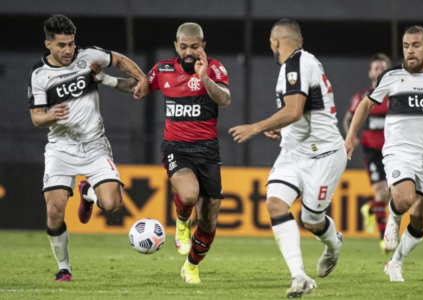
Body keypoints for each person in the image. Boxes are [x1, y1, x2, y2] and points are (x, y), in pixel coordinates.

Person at [96, 22, 231, 284]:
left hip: (207, 151)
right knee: (189, 193)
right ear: (176, 46)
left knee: (209, 221)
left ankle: (191, 266)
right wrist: (103, 78)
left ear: (203, 46)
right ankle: (182, 221)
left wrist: (204, 78)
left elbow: (224, 100)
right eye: (184, 47)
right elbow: (137, 85)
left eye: (194, 46)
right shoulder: (164, 69)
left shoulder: (215, 68)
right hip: (176, 148)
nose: (189, 52)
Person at [229, 19, 346, 298]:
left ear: (275, 42)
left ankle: (333, 245)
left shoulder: (296, 64)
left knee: (312, 220)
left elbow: (294, 110)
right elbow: (302, 111)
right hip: (294, 152)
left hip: (324, 154)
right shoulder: (297, 64)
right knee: (274, 202)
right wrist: (280, 126)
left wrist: (257, 127)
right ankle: (299, 276)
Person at [28, 14, 148, 282]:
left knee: (114, 204)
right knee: (54, 211)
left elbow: (119, 60)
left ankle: (88, 195)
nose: (68, 50)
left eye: (71, 43)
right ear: (48, 44)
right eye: (61, 45)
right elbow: (36, 117)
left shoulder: (88, 56)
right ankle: (64, 268)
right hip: (61, 148)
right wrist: (51, 116)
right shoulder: (39, 75)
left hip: (95, 145)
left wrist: (141, 77)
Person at [345, 26, 423, 282]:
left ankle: (395, 263)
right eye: (405, 46)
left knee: (420, 219)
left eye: (415, 45)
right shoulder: (392, 76)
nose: (410, 51)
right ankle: (393, 219)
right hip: (398, 152)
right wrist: (350, 136)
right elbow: (366, 104)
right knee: (403, 199)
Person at [343, 54, 391, 252]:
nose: (379, 71)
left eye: (382, 68)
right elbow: (348, 118)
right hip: (372, 151)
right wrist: (350, 135)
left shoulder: (396, 96)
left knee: (392, 195)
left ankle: (370, 208)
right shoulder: (362, 97)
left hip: (394, 150)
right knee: (381, 192)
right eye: (376, 68)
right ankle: (384, 239)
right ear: (371, 73)